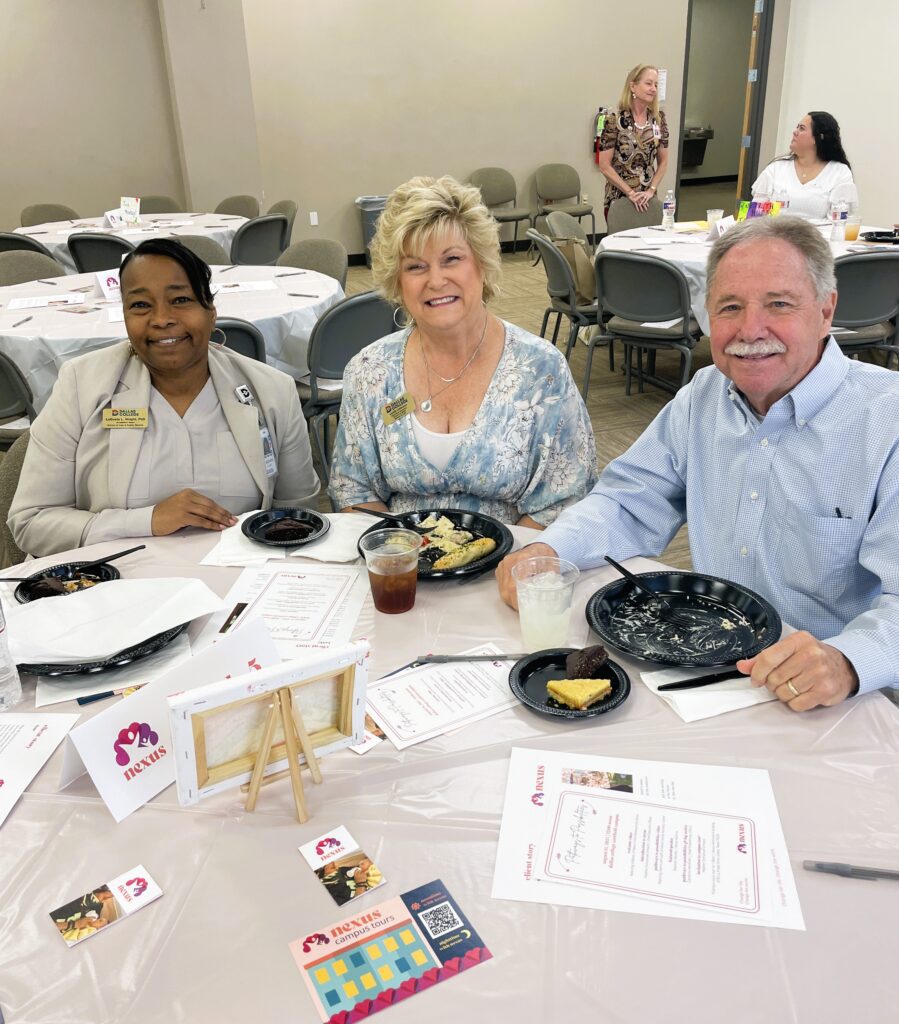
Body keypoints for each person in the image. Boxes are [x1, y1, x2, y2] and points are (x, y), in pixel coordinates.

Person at [497, 216, 899, 712]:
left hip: (829, 699)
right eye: (730, 307)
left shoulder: (888, 423)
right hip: (703, 670)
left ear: (825, 309)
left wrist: (846, 661)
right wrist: (549, 550)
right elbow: (627, 501)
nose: (751, 330)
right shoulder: (703, 397)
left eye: (779, 304)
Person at [9, 238, 319, 556]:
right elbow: (31, 522)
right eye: (140, 305)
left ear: (211, 312)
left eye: (181, 299)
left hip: (243, 586)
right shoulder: (82, 385)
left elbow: (300, 517)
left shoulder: (272, 392)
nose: (161, 319)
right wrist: (147, 521)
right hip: (117, 583)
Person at [328, 175, 596, 527]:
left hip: (512, 566)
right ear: (397, 281)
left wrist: (504, 563)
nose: (435, 280)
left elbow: (566, 497)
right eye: (416, 266)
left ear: (481, 265)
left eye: (451, 259)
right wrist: (409, 557)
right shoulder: (370, 371)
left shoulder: (540, 371)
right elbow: (353, 490)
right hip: (402, 566)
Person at [751, 111, 856, 219]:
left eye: (801, 128)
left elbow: (839, 221)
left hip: (817, 235)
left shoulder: (839, 172)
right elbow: (754, 215)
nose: (795, 132)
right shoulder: (775, 168)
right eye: (797, 127)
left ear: (818, 137)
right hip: (776, 233)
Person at [597, 65, 669, 219]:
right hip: (620, 198)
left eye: (656, 85)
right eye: (648, 83)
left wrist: (651, 190)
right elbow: (604, 166)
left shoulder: (658, 119)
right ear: (633, 86)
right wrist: (630, 192)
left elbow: (663, 163)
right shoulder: (614, 120)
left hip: (648, 199)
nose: (653, 89)